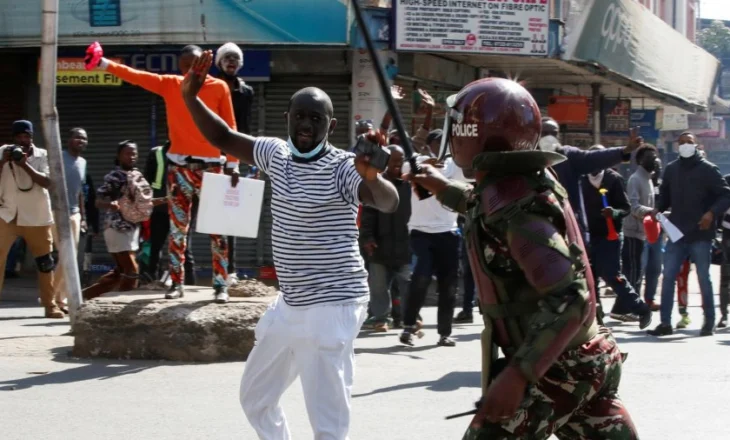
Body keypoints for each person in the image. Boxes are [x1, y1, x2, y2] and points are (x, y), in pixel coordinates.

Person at [181, 51, 399, 439]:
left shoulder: (342, 167)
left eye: (316, 119)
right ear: (287, 118)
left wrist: (373, 177)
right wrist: (190, 97)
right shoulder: (275, 153)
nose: (306, 125)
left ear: (330, 125)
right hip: (292, 302)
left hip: (334, 303)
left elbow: (388, 201)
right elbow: (222, 137)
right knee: (255, 397)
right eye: (300, 116)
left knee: (327, 423)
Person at [407, 78, 637, 439]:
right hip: (586, 358)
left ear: (470, 133)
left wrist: (518, 375)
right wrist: (439, 185)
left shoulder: (519, 211)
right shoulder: (517, 184)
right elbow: (479, 204)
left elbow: (569, 297)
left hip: (557, 370)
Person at [89, 42, 237, 303]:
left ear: (204, 65)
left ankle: (220, 285)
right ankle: (177, 284)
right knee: (178, 229)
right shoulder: (172, 84)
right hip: (179, 169)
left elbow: (230, 126)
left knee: (218, 231)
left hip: (212, 169)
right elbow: (136, 76)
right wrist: (102, 63)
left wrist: (234, 165)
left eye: (193, 66)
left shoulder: (219, 87)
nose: (188, 72)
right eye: (184, 68)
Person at [648, 132, 730, 337]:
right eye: (682, 142)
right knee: (668, 277)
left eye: (689, 142)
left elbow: (725, 195)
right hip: (677, 232)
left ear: (696, 145)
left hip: (701, 233)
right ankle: (665, 323)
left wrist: (711, 213)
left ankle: (708, 322)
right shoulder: (671, 169)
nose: (685, 145)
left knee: (704, 278)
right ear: (677, 146)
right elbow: (665, 197)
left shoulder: (709, 169)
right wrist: (657, 209)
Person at [83, 141, 166, 300]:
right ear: (119, 156)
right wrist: (110, 204)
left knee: (121, 271)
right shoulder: (115, 176)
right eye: (127, 153)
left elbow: (144, 203)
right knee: (132, 270)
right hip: (117, 227)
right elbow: (98, 201)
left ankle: (83, 297)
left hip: (131, 228)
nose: (132, 156)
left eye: (134, 153)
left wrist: (167, 199)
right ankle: (121, 301)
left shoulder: (136, 176)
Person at [580, 148, 651, 328]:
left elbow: (626, 208)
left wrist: (615, 212)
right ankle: (596, 319)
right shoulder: (579, 180)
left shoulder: (613, 179)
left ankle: (641, 309)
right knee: (590, 279)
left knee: (612, 275)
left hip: (609, 236)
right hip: (586, 237)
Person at [0, 121, 62, 318]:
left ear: (32, 137)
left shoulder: (43, 155)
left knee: (45, 263)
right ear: (13, 138)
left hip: (37, 216)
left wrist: (24, 164)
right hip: (7, 214)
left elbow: (48, 182)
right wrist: (4, 161)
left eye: (26, 136)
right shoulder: (3, 151)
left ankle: (50, 305)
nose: (22, 140)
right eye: (18, 137)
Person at [215, 42, 255, 285]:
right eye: (227, 57)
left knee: (230, 212)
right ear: (219, 62)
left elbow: (245, 127)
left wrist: (250, 158)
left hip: (232, 157)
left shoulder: (246, 91)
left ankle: (230, 269)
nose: (231, 61)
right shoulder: (209, 86)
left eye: (235, 58)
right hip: (208, 154)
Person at [360, 145, 411, 331]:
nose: (398, 164)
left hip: (404, 246)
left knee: (407, 282)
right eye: (394, 160)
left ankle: (408, 319)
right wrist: (367, 238)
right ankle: (380, 318)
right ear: (385, 162)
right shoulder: (376, 185)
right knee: (378, 286)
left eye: (401, 160)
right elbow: (367, 215)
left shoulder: (409, 186)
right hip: (380, 245)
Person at [141, 140, 197, 285]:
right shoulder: (156, 153)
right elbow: (146, 181)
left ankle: (189, 285)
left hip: (183, 210)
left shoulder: (189, 152)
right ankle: (150, 282)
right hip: (160, 209)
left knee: (184, 248)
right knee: (155, 247)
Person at [50, 128, 88, 313]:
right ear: (68, 140)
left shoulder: (82, 162)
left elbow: (80, 191)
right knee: (66, 257)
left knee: (70, 258)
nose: (80, 140)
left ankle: (60, 299)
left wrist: (83, 217)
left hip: (74, 214)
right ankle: (51, 295)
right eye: (77, 137)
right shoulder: (58, 157)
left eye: (84, 138)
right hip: (56, 213)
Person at [622, 144, 659, 304]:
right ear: (640, 160)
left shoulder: (649, 179)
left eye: (654, 156)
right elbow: (634, 207)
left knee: (652, 269)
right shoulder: (635, 179)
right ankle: (630, 305)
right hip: (633, 233)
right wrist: (653, 212)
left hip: (647, 233)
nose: (654, 160)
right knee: (634, 272)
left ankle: (642, 302)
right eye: (649, 157)